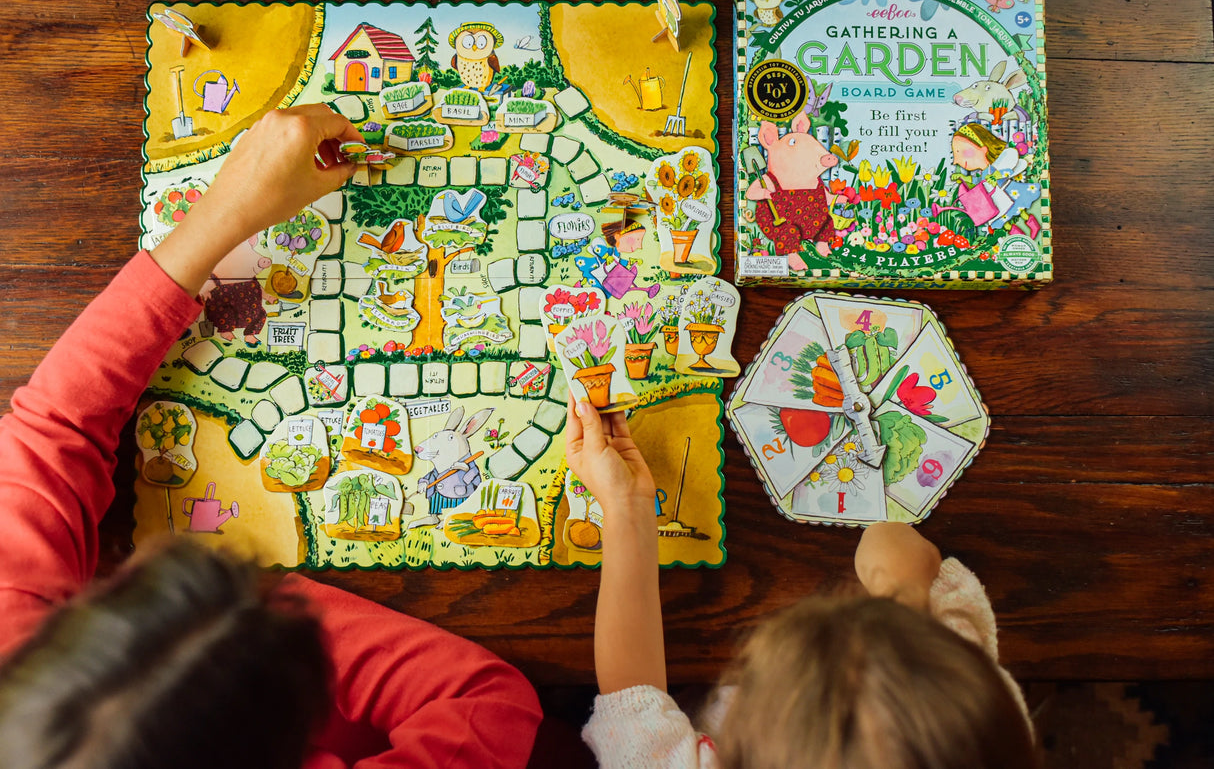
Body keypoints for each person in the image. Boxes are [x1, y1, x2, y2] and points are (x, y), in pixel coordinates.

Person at [0, 105, 541, 769]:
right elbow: (488, 705)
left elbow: (55, 424)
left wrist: (221, 216)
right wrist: (273, 614)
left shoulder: (15, 665)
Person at [564, 398, 1038, 769]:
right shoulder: (970, 709)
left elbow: (631, 694)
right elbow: (901, 549)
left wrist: (625, 504)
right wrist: (910, 616)